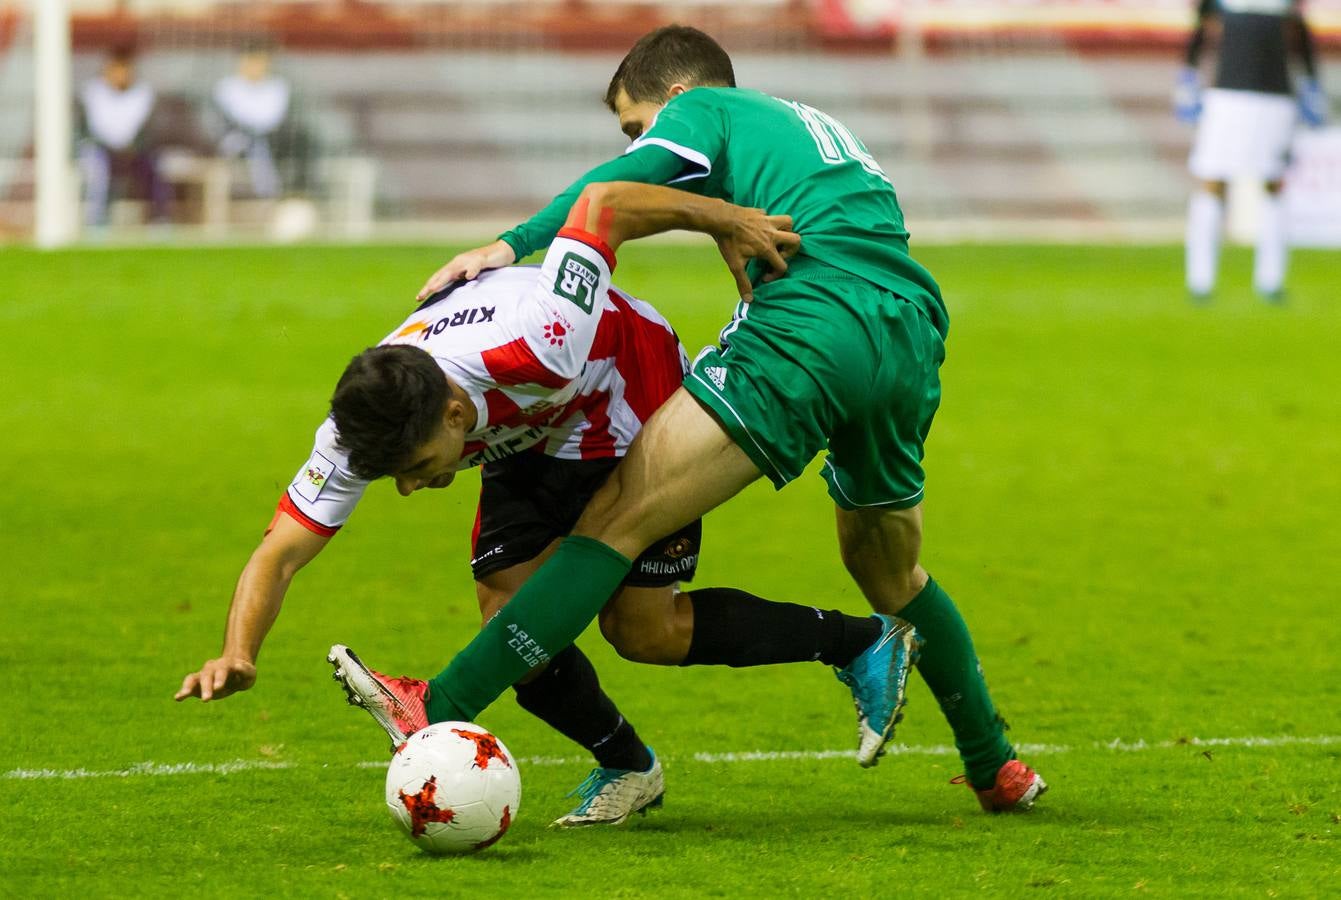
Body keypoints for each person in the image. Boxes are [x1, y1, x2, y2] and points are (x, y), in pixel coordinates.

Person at [341, 25, 1046, 814]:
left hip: (812, 330)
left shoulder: (700, 106)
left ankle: (437, 703)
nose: (646, 139)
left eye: (638, 122)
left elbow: (615, 191)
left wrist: (511, 246)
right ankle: (995, 764)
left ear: (673, 96)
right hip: (908, 333)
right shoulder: (806, 125)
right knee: (889, 571)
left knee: (615, 520)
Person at [175, 190, 919, 826]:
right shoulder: (360, 425)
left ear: (455, 416)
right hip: (527, 436)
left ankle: (857, 641)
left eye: (417, 471)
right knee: (507, 612)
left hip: (635, 395)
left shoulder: (540, 340)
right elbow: (279, 550)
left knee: (642, 631)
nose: (406, 489)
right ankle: (629, 767)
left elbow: (606, 206)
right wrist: (239, 652)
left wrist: (724, 218)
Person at [1176, 0, 1327, 302]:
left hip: (1275, 97)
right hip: (1227, 96)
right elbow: (1202, 26)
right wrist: (1188, 75)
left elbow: (1299, 32)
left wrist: (1311, 80)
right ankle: (1200, 281)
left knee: (1274, 184)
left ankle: (1270, 281)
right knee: (1213, 182)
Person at [77, 46, 171, 226]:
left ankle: (159, 219)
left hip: (135, 150)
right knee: (97, 170)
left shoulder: (144, 94)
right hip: (102, 150)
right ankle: (97, 221)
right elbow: (87, 129)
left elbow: (148, 128)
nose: (121, 75)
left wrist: (133, 146)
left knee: (155, 166)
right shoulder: (92, 93)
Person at [213, 44, 291, 199]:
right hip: (235, 139)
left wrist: (257, 128)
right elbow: (236, 117)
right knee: (243, 144)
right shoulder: (227, 86)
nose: (256, 66)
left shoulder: (277, 86)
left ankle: (269, 195)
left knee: (261, 146)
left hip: (272, 141)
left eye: (261, 62)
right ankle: (252, 195)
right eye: (252, 61)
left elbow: (272, 119)